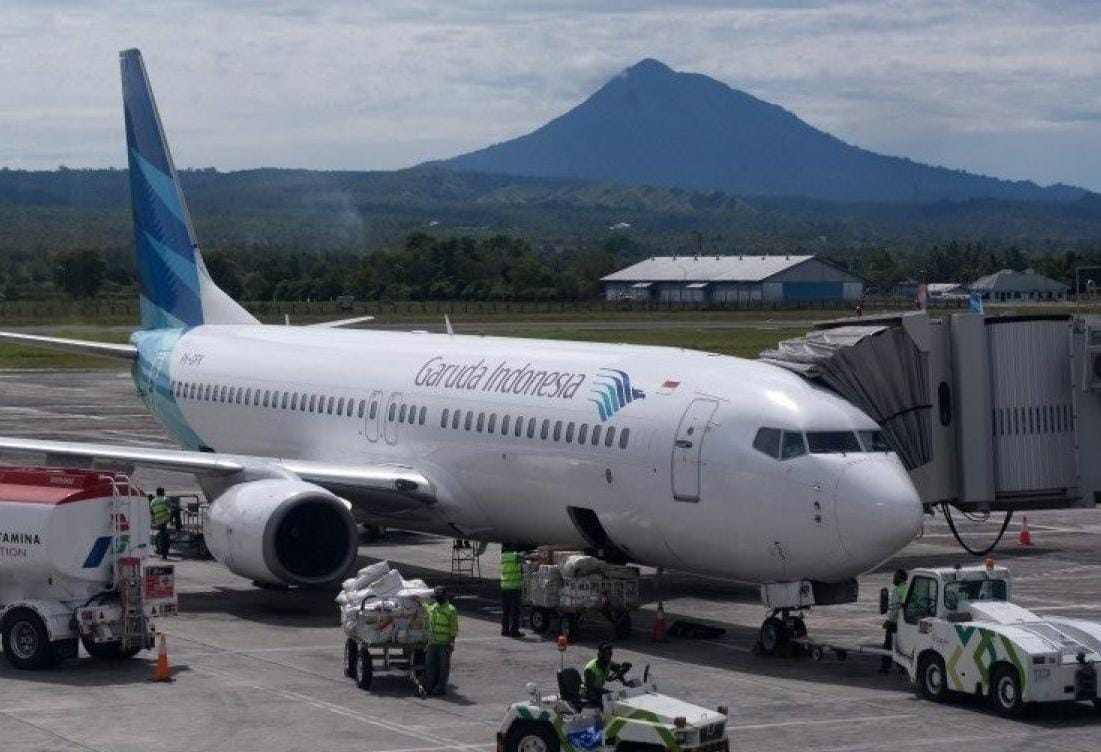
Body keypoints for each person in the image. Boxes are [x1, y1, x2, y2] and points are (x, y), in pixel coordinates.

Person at [423, 586, 459, 696]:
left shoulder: (451, 610)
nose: (437, 599)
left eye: (438, 597)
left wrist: (452, 643)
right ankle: (429, 686)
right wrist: (418, 601)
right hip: (432, 643)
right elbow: (425, 608)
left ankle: (440, 687)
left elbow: (454, 628)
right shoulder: (433, 607)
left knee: (443, 667)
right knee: (430, 666)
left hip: (444, 644)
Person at [580, 642, 628, 709]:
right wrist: (606, 693)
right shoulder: (590, 669)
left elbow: (617, 670)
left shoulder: (607, 663)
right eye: (607, 654)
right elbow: (589, 687)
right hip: (587, 693)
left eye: (610, 654)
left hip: (598, 689)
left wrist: (623, 671)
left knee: (615, 696)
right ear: (600, 655)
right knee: (607, 702)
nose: (609, 657)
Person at [880, 568, 908, 673]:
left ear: (900, 578)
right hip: (904, 623)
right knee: (901, 646)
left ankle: (885, 667)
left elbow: (895, 608)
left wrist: (888, 621)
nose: (893, 579)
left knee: (888, 645)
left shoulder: (898, 590)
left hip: (894, 623)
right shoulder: (907, 588)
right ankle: (902, 667)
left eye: (895, 577)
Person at [499, 542, 524, 637]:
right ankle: (514, 631)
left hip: (505, 585)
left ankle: (504, 630)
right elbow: (526, 560)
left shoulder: (502, 556)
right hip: (514, 586)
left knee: (506, 610)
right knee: (515, 610)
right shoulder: (516, 556)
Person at [149, 488, 171, 560]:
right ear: (162, 492)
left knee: (162, 536)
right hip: (165, 520)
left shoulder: (152, 501)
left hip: (158, 521)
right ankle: (165, 554)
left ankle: (163, 554)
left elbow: (151, 512)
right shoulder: (164, 499)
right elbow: (170, 507)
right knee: (165, 538)